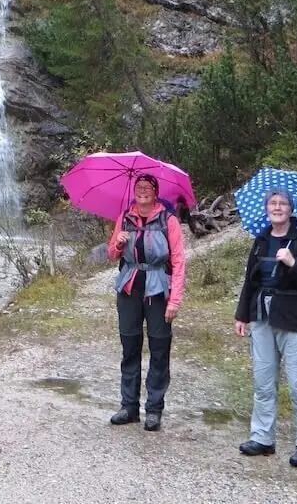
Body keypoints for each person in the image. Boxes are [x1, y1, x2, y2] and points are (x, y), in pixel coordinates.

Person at [234, 189, 297, 468]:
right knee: (263, 381)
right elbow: (250, 281)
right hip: (262, 317)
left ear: (291, 209)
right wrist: (242, 315)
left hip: (296, 319)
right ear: (267, 208)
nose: (277, 208)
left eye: (283, 204)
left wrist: (293, 263)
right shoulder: (261, 240)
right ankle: (262, 438)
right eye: (273, 203)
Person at [107, 174, 186, 431]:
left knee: (159, 349)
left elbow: (178, 261)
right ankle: (129, 407)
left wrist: (175, 300)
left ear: (155, 192)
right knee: (130, 348)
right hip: (129, 289)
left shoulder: (168, 220)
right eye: (138, 187)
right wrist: (118, 244)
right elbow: (112, 255)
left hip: (159, 290)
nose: (142, 191)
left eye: (148, 187)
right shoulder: (124, 218)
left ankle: (154, 409)